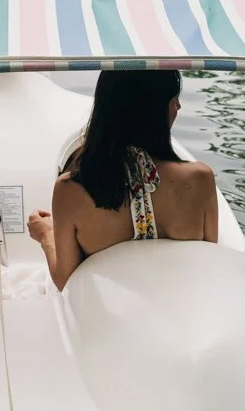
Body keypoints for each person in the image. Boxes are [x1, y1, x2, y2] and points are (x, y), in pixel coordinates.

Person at [27, 69, 217, 290]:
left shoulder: (70, 190)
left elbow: (66, 282)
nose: (178, 107)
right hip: (184, 316)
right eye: (174, 100)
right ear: (156, 113)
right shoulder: (200, 180)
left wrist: (45, 235)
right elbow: (210, 261)